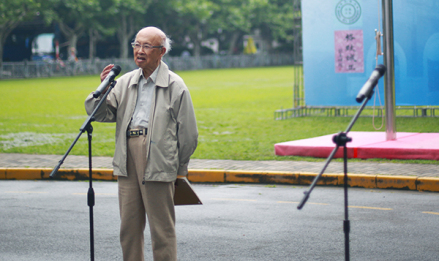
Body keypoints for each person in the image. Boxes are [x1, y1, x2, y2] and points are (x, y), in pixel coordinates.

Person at [84, 26, 198, 261]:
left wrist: (179, 167)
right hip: (128, 155)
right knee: (129, 228)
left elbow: (188, 135)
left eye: (147, 46)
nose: (140, 50)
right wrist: (103, 88)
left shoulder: (176, 86)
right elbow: (101, 114)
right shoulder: (124, 82)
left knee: (161, 230)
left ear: (162, 52)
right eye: (137, 45)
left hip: (158, 156)